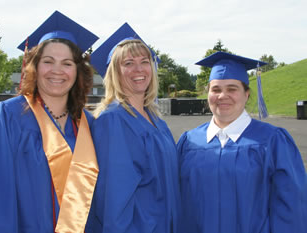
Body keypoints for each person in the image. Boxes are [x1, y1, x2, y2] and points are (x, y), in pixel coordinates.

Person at [0, 11, 99, 233]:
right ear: (34, 66)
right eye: (48, 61)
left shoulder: (88, 124)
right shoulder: (8, 117)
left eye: (67, 63)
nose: (57, 71)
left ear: (78, 71)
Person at [177, 51, 307, 233]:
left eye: (232, 89)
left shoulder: (272, 142)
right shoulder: (189, 142)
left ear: (246, 94)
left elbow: (291, 208)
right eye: (216, 89)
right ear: (208, 94)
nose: (222, 96)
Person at [85, 23, 181, 233]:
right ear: (115, 73)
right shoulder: (113, 121)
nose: (139, 69)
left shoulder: (157, 121)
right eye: (128, 63)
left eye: (144, 62)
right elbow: (113, 203)